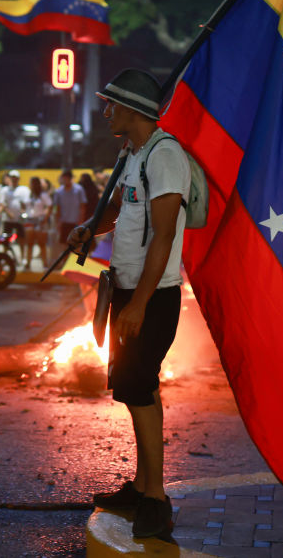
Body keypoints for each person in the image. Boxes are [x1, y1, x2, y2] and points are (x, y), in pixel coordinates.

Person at [70, 69, 190, 538]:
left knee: (140, 387)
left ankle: (156, 498)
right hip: (126, 289)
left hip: (153, 295)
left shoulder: (166, 156)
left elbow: (164, 234)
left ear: (134, 110)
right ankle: (141, 486)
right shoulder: (132, 153)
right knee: (131, 387)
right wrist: (90, 228)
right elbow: (120, 211)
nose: (105, 112)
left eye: (111, 105)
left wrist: (138, 305)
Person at [53, 169, 86, 256]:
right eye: (63, 178)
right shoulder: (58, 192)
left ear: (70, 178)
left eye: (66, 178)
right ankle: (65, 263)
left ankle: (74, 264)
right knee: (64, 244)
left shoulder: (79, 190)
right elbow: (57, 208)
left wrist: (81, 222)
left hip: (76, 222)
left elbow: (82, 207)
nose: (64, 180)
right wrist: (57, 222)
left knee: (77, 244)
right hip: (64, 222)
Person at [24, 176, 52, 270]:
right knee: (29, 243)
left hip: (40, 220)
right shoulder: (29, 195)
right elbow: (25, 206)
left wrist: (45, 218)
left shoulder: (43, 195)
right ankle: (28, 262)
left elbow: (49, 206)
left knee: (41, 243)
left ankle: (44, 263)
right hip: (30, 219)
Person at [0, 170, 30, 247]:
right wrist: (9, 213)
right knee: (7, 239)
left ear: (18, 178)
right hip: (8, 219)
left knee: (21, 238)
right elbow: (2, 203)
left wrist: (23, 211)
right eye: (12, 177)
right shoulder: (5, 190)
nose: (14, 179)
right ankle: (5, 254)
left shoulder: (24, 189)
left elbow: (26, 203)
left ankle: (22, 257)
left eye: (15, 177)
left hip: (19, 219)